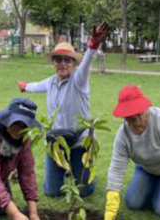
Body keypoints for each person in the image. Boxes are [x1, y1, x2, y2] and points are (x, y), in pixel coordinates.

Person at [18, 23, 110, 197]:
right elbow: (37, 86)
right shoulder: (51, 81)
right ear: (53, 62)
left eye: (67, 60)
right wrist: (24, 86)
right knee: (52, 191)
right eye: (58, 60)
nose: (62, 64)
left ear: (74, 63)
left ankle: (83, 171)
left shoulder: (79, 80)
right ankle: (66, 169)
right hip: (57, 142)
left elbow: (87, 64)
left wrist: (92, 45)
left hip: (78, 142)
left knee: (84, 191)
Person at [103, 86, 160, 219]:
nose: (137, 122)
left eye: (139, 115)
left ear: (147, 108)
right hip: (147, 169)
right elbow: (117, 168)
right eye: (131, 119)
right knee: (133, 203)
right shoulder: (123, 135)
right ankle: (157, 188)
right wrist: (110, 208)